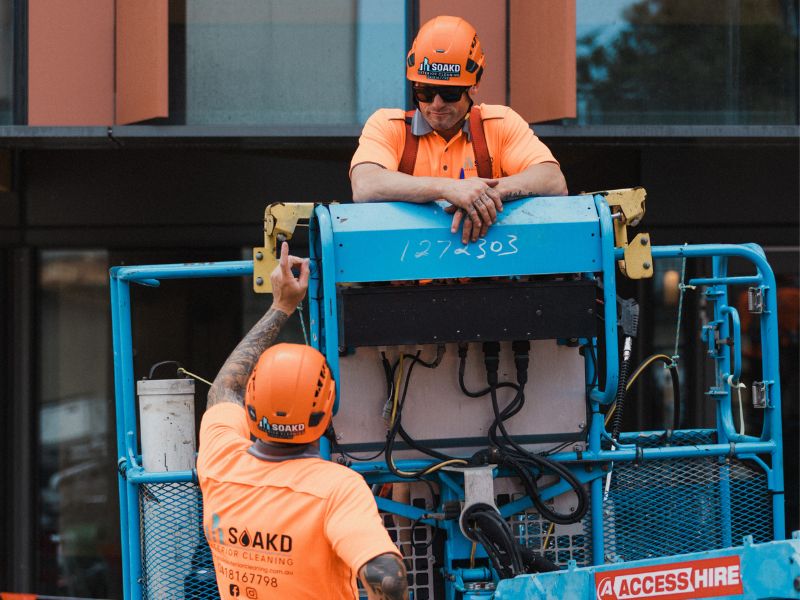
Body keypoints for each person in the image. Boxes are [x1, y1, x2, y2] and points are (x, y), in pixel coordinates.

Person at [197, 242, 408, 600]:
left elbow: (223, 389)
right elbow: (388, 579)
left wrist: (281, 306)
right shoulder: (337, 488)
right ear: (327, 410)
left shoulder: (220, 461)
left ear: (251, 404)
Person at [350, 15, 568, 244]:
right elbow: (365, 185)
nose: (436, 104)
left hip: (487, 275)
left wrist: (485, 194)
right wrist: (448, 188)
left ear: (474, 85)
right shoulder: (388, 126)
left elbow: (553, 180)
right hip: (407, 276)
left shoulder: (499, 123)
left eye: (449, 93)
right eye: (424, 91)